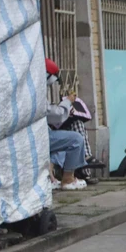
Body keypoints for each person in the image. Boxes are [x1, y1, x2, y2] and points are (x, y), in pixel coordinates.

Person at [46, 59, 88, 191]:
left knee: (62, 144)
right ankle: (68, 179)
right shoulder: (36, 92)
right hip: (39, 135)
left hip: (37, 133)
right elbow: (56, 115)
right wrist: (68, 102)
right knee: (75, 139)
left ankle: (50, 177)